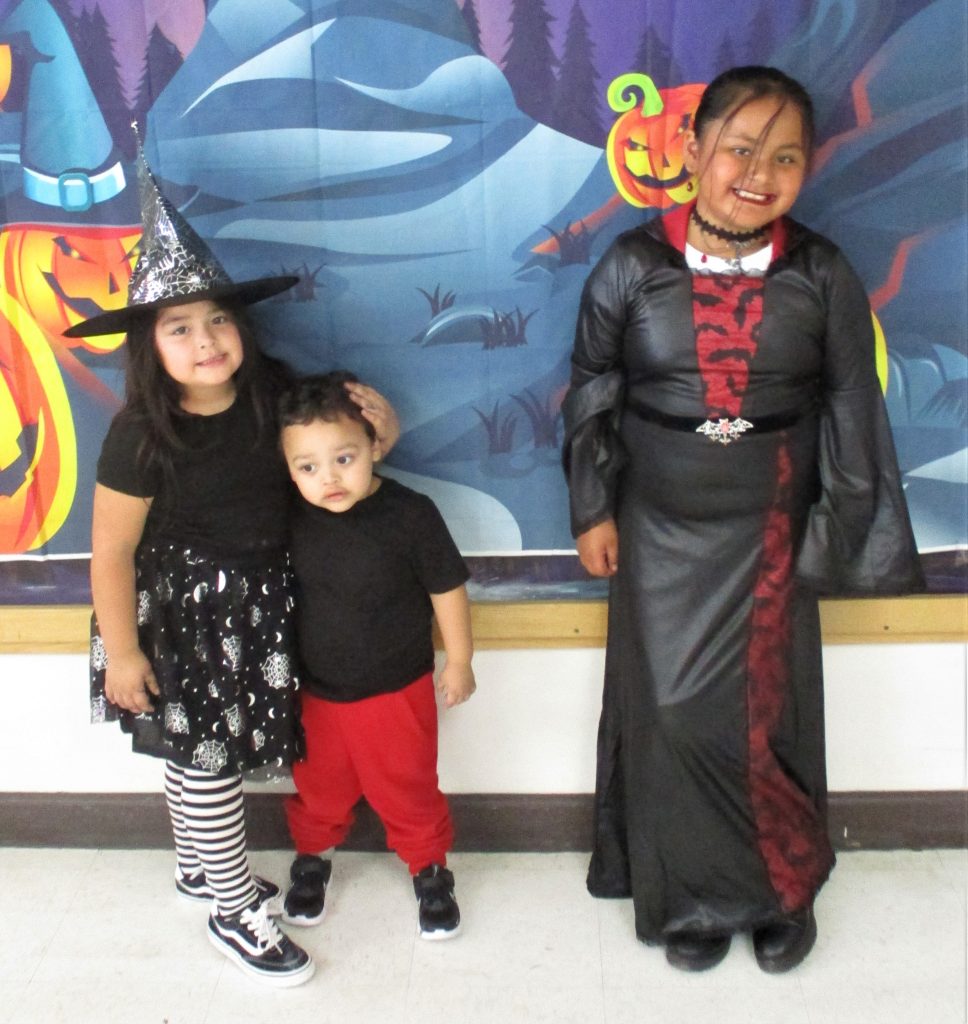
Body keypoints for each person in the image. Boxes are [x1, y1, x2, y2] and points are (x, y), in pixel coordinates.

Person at [562, 66, 923, 974]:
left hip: (772, 528)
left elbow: (852, 407)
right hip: (657, 526)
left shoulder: (822, 273)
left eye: (786, 157)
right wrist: (591, 507)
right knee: (672, 713)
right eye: (741, 149)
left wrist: (833, 532)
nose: (760, 174)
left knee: (766, 711)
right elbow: (592, 390)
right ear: (693, 150)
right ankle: (689, 895)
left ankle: (778, 891)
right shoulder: (630, 265)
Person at [68, 147, 398, 987]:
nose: (205, 340)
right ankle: (230, 906)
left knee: (199, 754)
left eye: (217, 320)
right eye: (179, 328)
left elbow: (335, 454)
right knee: (206, 761)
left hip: (255, 609)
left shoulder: (274, 394)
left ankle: (196, 868)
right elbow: (111, 550)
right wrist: (125, 652)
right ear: (150, 345)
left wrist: (380, 433)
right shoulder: (141, 434)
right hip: (181, 619)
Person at [277, 372, 475, 941]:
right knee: (320, 789)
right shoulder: (288, 516)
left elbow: (447, 589)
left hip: (397, 689)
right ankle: (313, 857)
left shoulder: (411, 513)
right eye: (307, 467)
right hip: (316, 693)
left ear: (375, 446)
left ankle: (429, 868)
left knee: (409, 787)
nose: (329, 478)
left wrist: (459, 660)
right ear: (288, 469)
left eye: (344, 458)